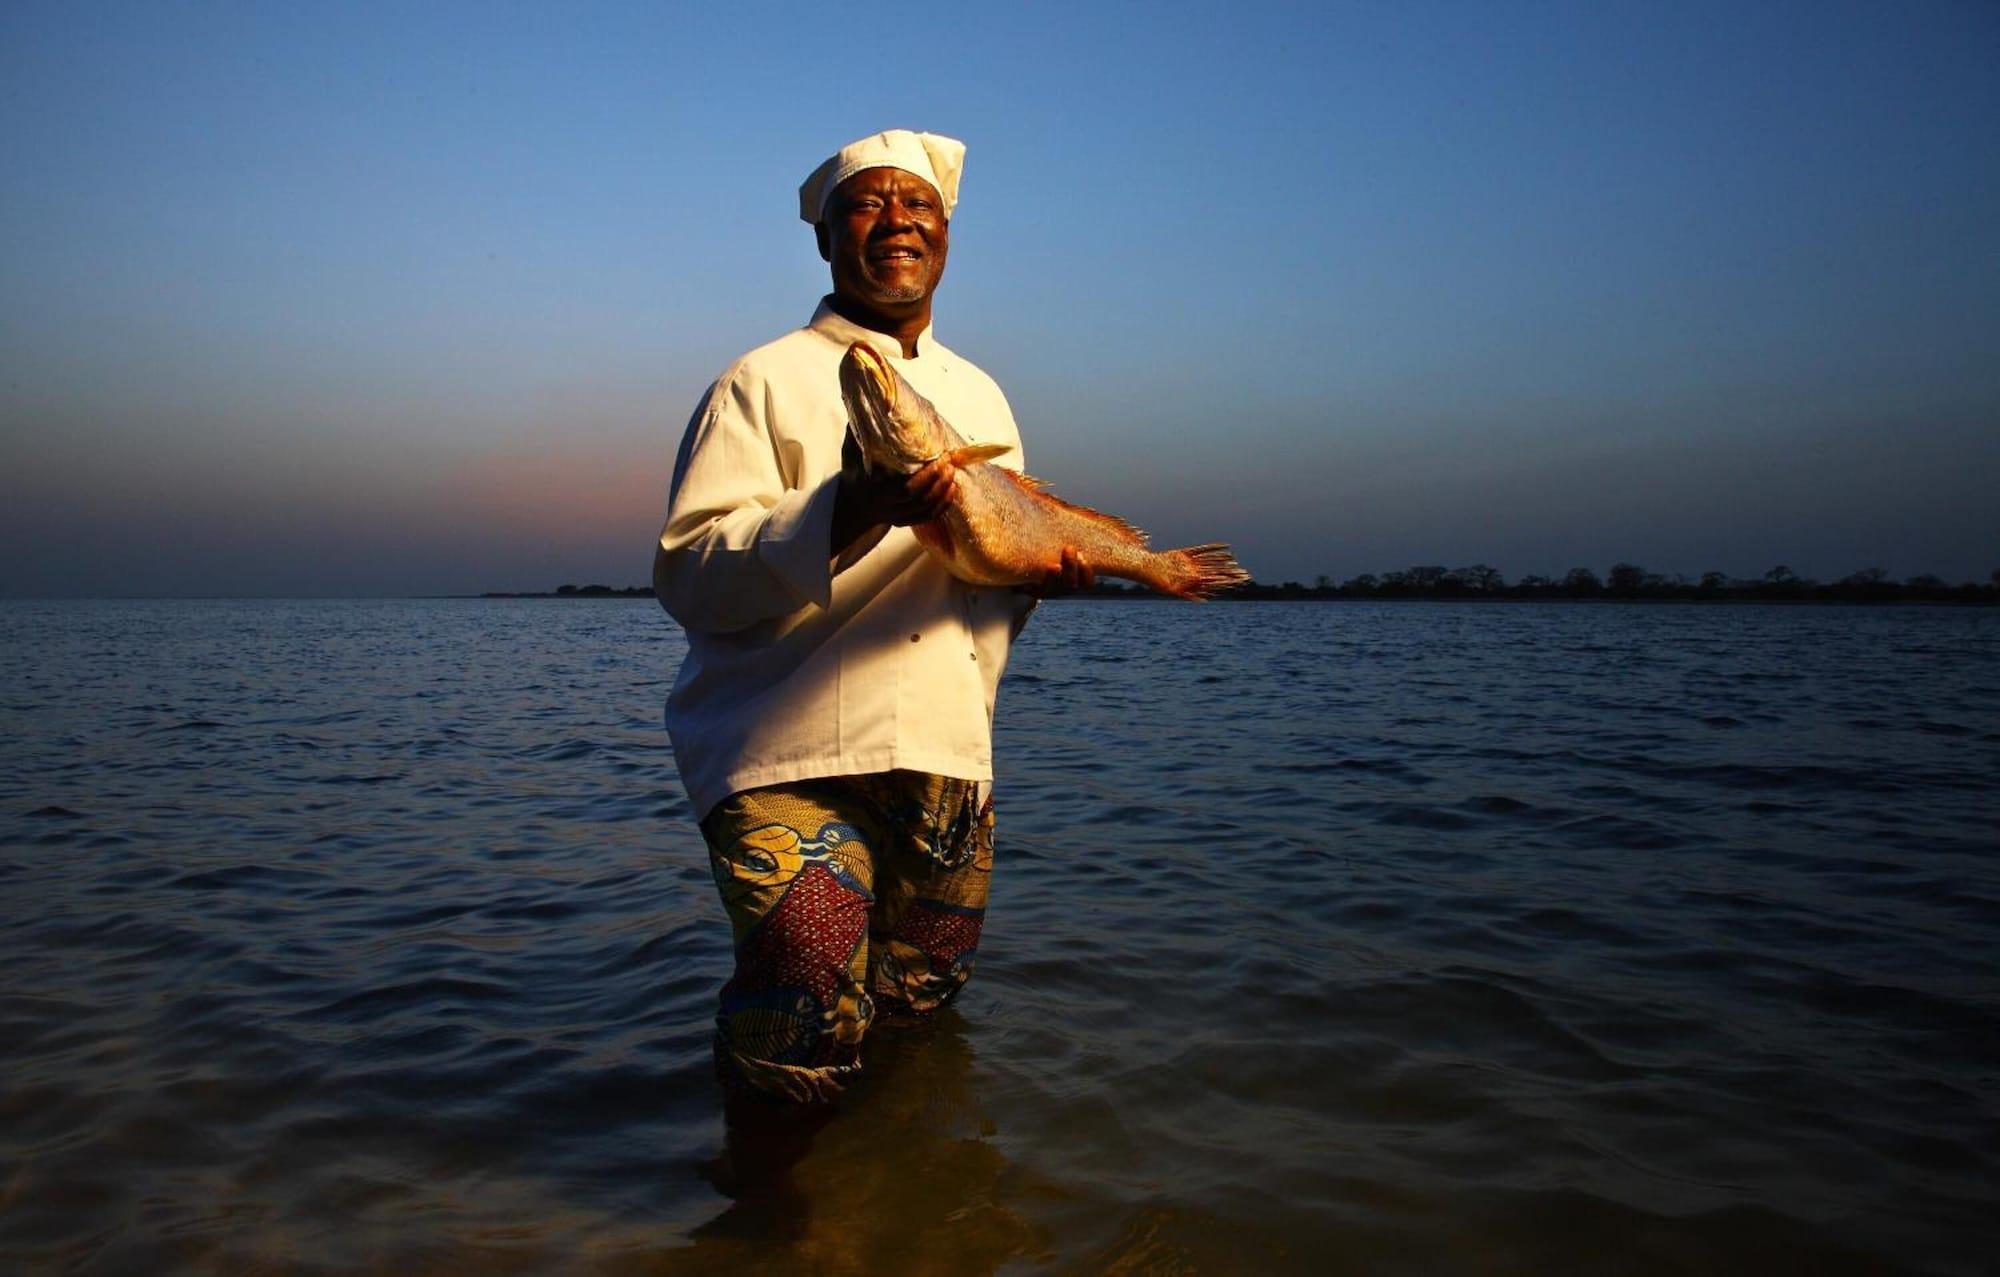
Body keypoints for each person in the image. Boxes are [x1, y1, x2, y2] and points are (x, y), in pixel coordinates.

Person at [653, 129, 1089, 1106]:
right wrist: (852, 504)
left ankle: (891, 1212)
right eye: (867, 203)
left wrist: (1033, 578)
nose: (896, 220)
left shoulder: (979, 393)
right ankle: (776, 1231)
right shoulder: (758, 380)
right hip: (782, 750)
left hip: (943, 751)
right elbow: (688, 574)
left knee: (918, 1011)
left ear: (945, 233)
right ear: (824, 239)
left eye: (918, 204)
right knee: (797, 1016)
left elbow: (983, 579)